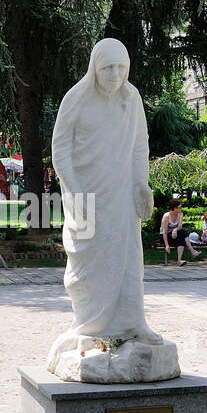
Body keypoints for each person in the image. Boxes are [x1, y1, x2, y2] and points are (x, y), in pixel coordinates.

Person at [47, 38, 163, 366]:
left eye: (121, 67)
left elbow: (140, 145)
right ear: (95, 68)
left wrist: (142, 184)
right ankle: (88, 327)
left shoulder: (132, 98)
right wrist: (74, 191)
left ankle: (133, 323)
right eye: (108, 67)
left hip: (122, 195)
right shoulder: (77, 99)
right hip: (85, 197)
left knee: (128, 260)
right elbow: (61, 150)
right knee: (87, 265)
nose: (115, 74)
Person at [161, 193, 198, 264]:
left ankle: (179, 260)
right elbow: (164, 232)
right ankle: (192, 251)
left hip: (176, 234)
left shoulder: (180, 214)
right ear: (175, 208)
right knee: (182, 233)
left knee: (182, 235)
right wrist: (167, 245)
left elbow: (180, 226)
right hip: (165, 236)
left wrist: (175, 230)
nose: (181, 209)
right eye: (180, 207)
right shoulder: (166, 216)